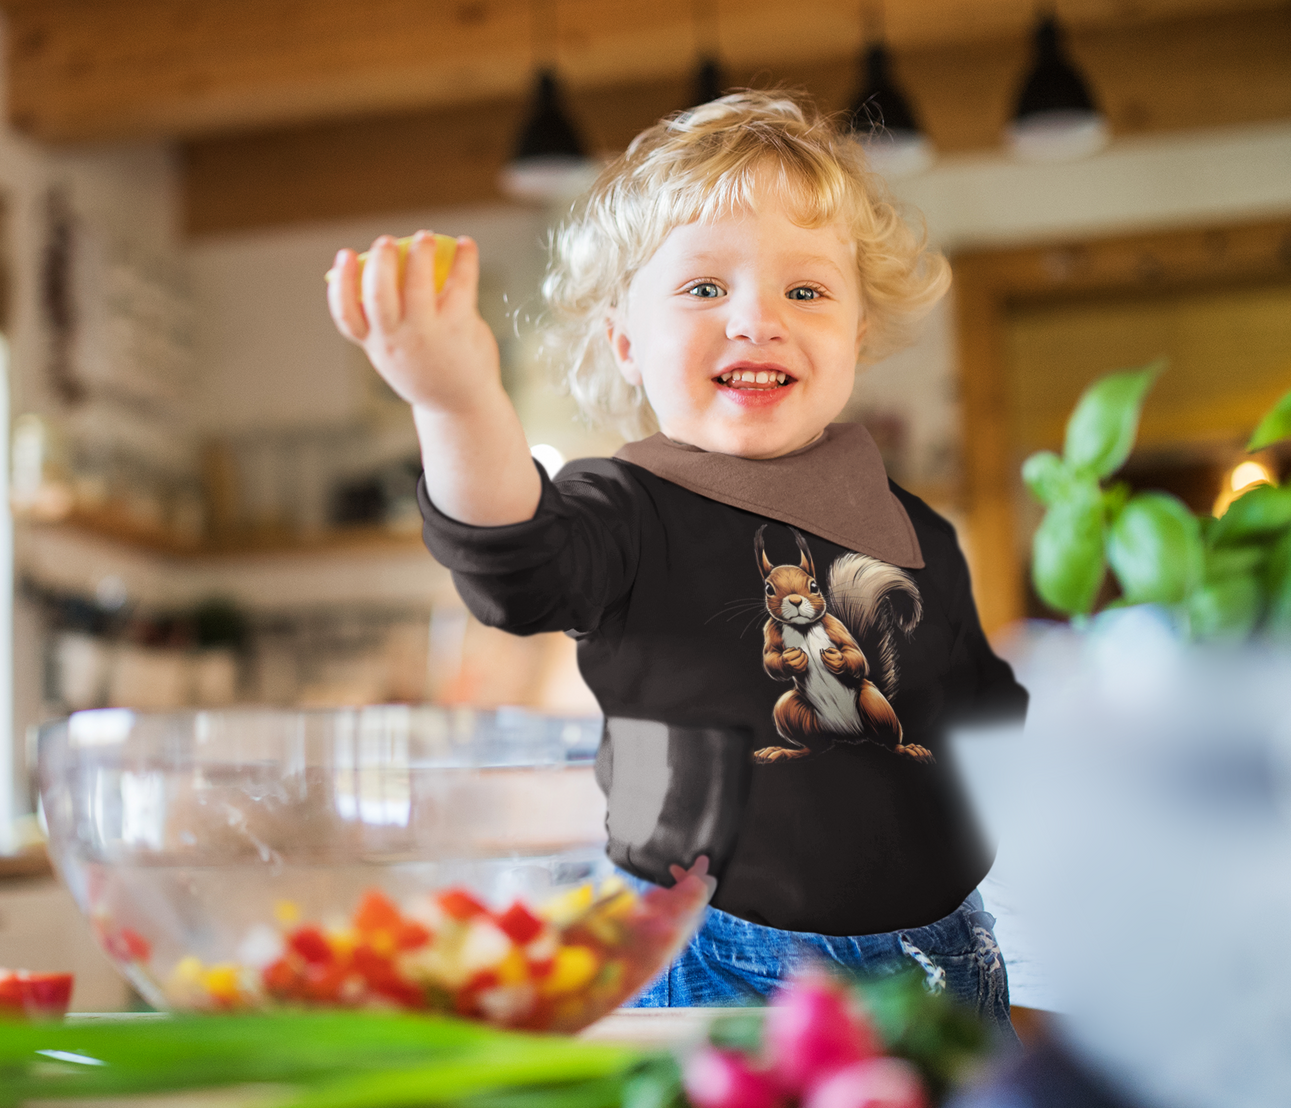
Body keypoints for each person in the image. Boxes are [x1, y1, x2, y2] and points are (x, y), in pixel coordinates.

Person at [327, 91, 1027, 1038]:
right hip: (704, 955)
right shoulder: (625, 506)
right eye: (704, 289)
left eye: (806, 291)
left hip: (935, 958)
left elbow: (986, 720)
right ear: (624, 340)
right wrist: (456, 404)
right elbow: (512, 564)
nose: (756, 321)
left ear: (856, 335)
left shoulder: (916, 532)